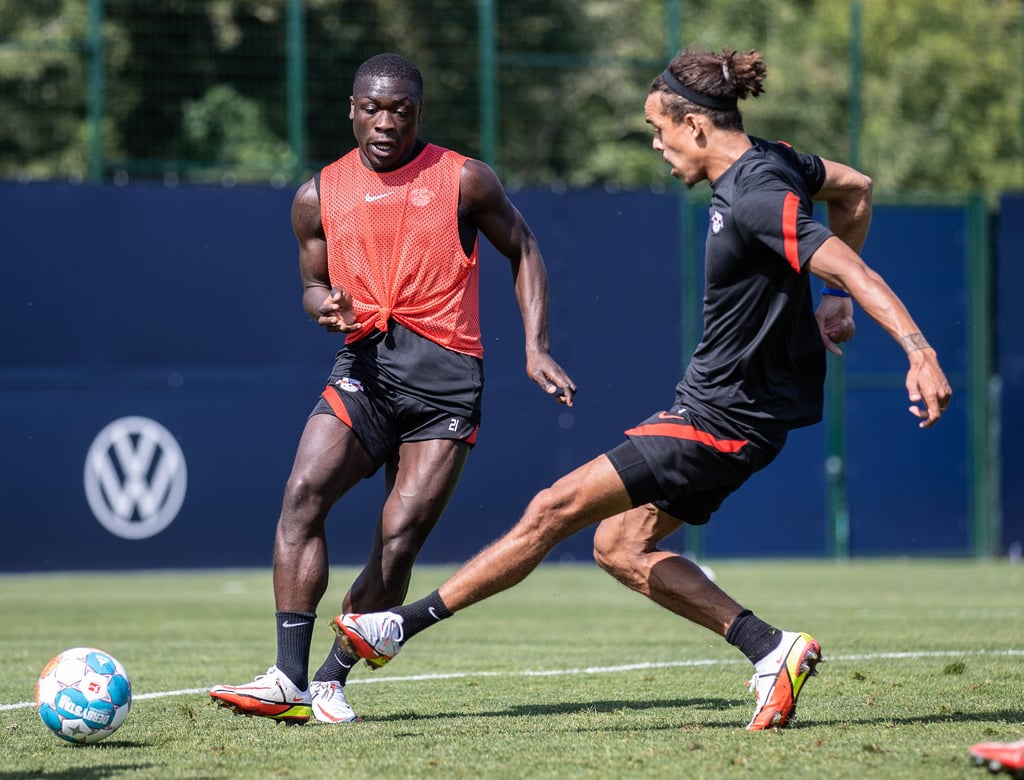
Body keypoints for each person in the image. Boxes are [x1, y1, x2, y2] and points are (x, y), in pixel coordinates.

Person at [330, 47, 952, 731]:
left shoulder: (756, 196)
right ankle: (771, 649)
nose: (656, 147)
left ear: (696, 126)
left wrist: (914, 348)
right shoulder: (779, 161)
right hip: (747, 414)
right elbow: (856, 188)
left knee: (553, 507)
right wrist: (830, 301)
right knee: (619, 547)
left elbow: (853, 266)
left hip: (721, 417)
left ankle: (398, 627)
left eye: (658, 131)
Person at [209, 52, 576, 725]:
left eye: (400, 111)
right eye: (372, 109)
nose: (385, 122)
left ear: (417, 113)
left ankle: (332, 677)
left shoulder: (464, 179)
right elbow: (313, 284)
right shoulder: (317, 195)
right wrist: (320, 305)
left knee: (399, 536)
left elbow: (522, 247)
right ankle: (288, 679)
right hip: (365, 371)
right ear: (351, 109)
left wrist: (536, 346)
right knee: (302, 495)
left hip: (445, 383)